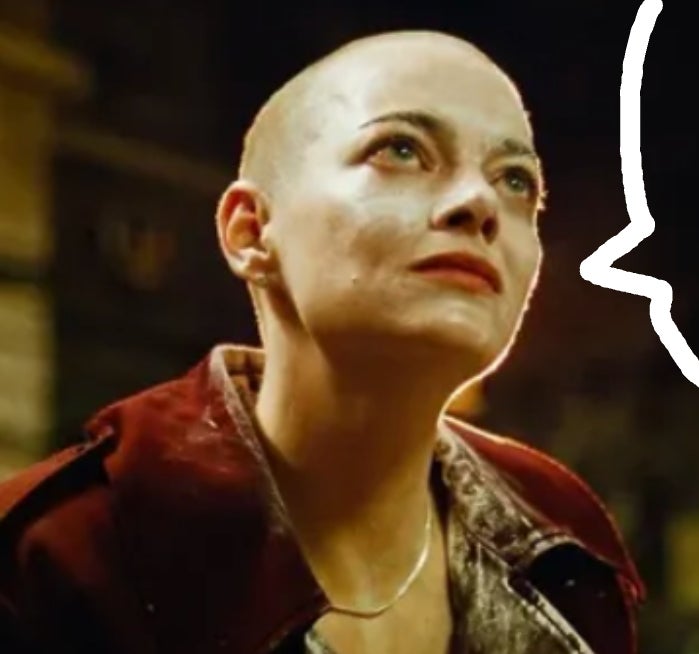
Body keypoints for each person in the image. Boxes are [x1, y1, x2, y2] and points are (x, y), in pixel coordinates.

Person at [0, 31, 643, 654]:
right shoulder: (61, 555)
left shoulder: (566, 542)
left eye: (516, 181)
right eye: (401, 150)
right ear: (252, 231)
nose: (480, 203)